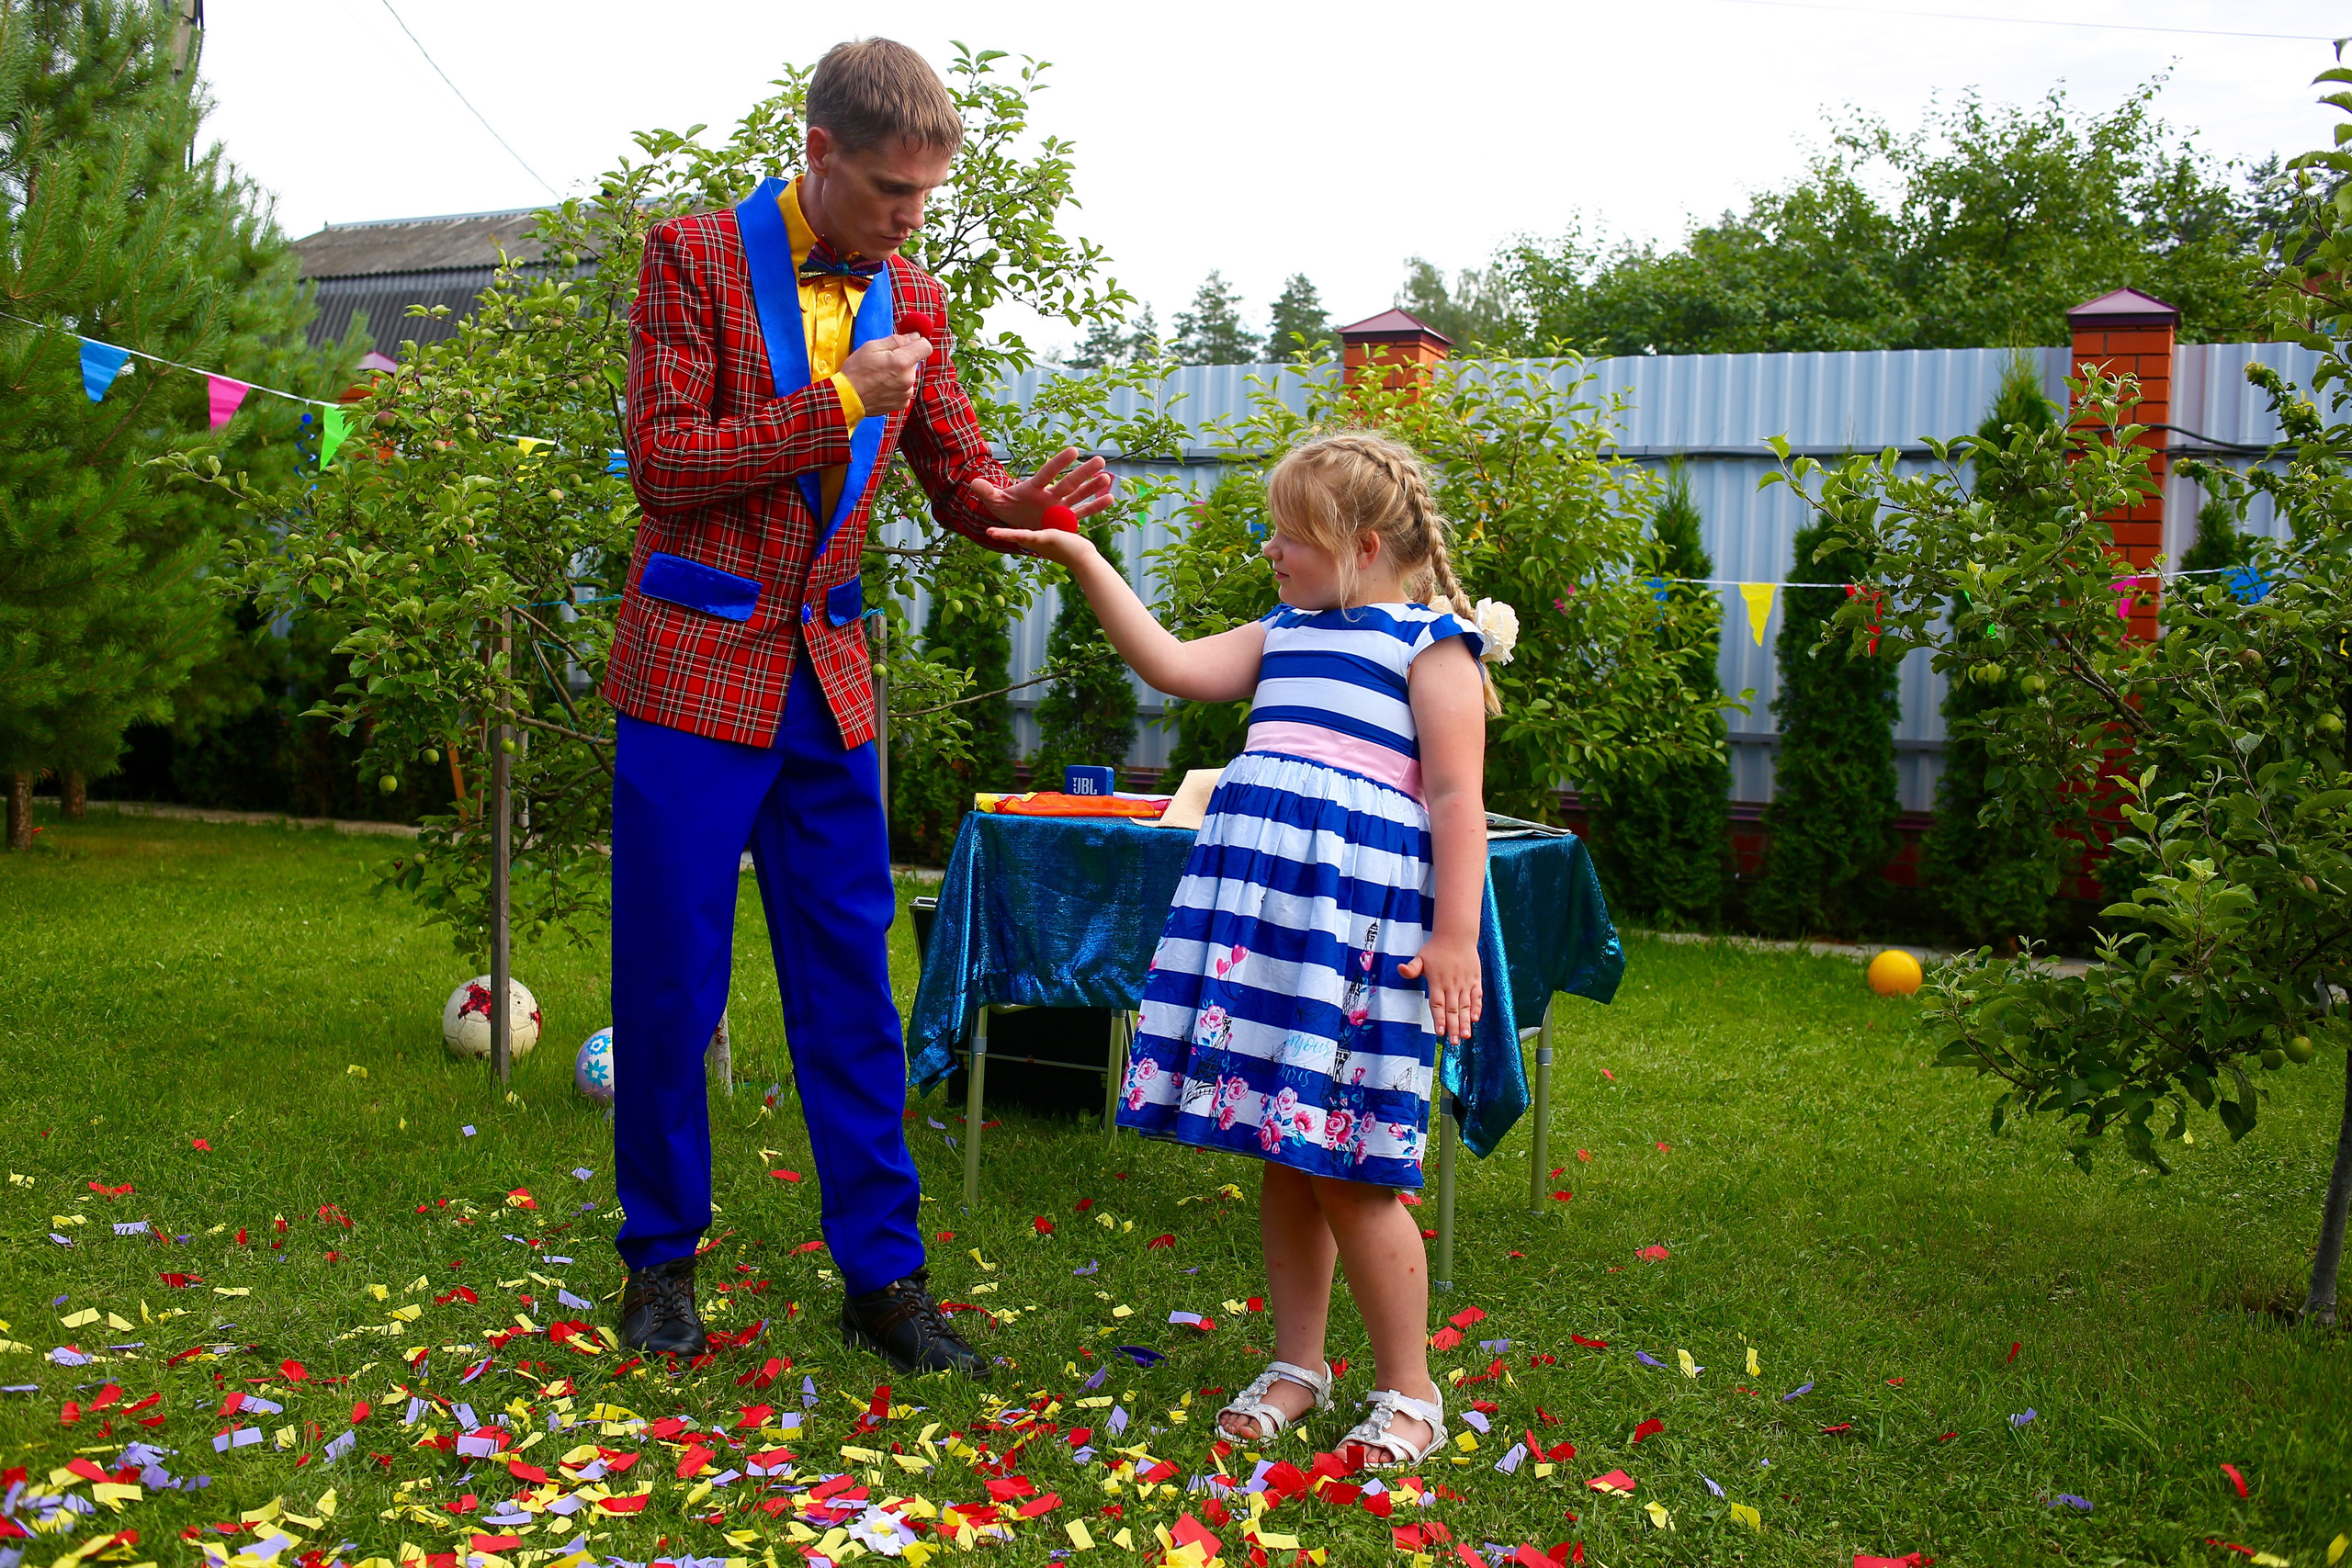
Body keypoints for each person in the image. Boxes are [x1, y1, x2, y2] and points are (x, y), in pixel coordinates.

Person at [604, 37, 1112, 1375]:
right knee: (670, 984)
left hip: (827, 688)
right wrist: (835, 400)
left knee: (853, 995)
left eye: (924, 198)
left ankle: (883, 1282)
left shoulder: (913, 295)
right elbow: (665, 462)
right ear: (818, 151)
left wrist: (1016, 508)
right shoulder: (691, 257)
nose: (907, 220)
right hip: (692, 672)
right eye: (890, 191)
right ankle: (660, 1264)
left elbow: (957, 475)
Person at [989, 429, 1503, 1472]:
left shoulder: (1429, 646)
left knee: (1354, 1168)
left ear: (1360, 545)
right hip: (1265, 937)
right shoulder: (1281, 632)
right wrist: (1083, 556)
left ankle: (1410, 1388)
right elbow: (1171, 666)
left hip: (1354, 947)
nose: (1272, 551)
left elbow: (1457, 801)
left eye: (1288, 536)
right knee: (1282, 1151)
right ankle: (1298, 1362)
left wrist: (1456, 938)